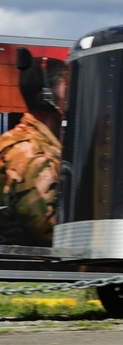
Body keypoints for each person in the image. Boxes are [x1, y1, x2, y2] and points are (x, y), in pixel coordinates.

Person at [0, 49, 67, 246]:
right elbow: (52, 238)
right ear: (46, 98)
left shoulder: (16, 139)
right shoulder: (33, 155)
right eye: (69, 89)